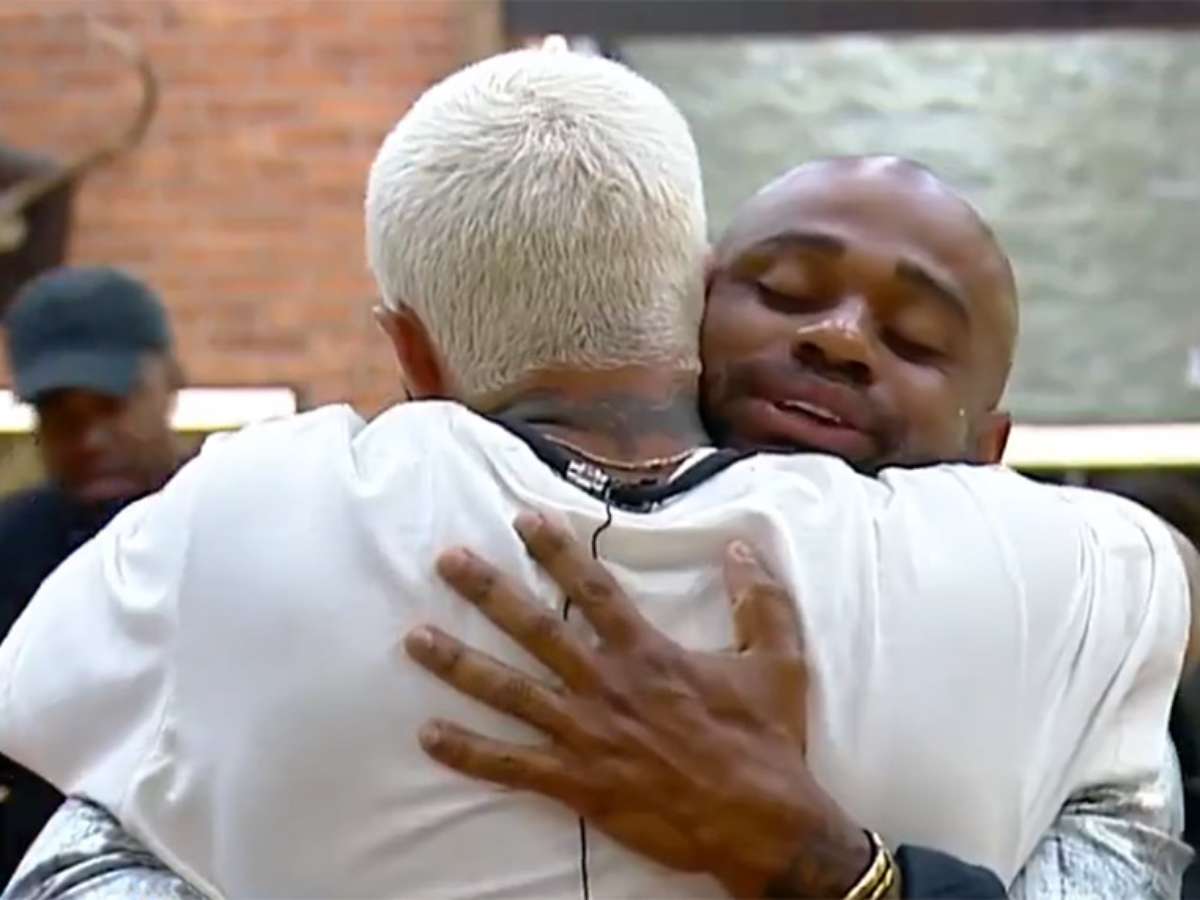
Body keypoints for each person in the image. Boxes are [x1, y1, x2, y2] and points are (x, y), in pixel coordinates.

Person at [0, 46, 1191, 900]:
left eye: (917, 340)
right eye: (784, 291)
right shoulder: (1076, 583)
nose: (835, 339)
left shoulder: (249, 515)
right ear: (688, 297)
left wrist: (832, 863)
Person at [0, 265, 182, 885]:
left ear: (171, 379)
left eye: (111, 404)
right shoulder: (9, 550)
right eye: (60, 416)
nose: (90, 438)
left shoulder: (251, 525)